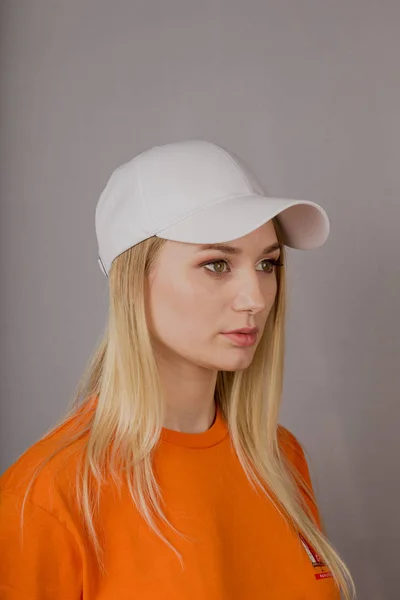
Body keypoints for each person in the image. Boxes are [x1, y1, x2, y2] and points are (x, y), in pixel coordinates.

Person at [0, 139, 356, 599]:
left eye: (267, 263)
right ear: (133, 279)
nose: (256, 297)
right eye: (216, 264)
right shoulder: (48, 497)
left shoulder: (279, 459)